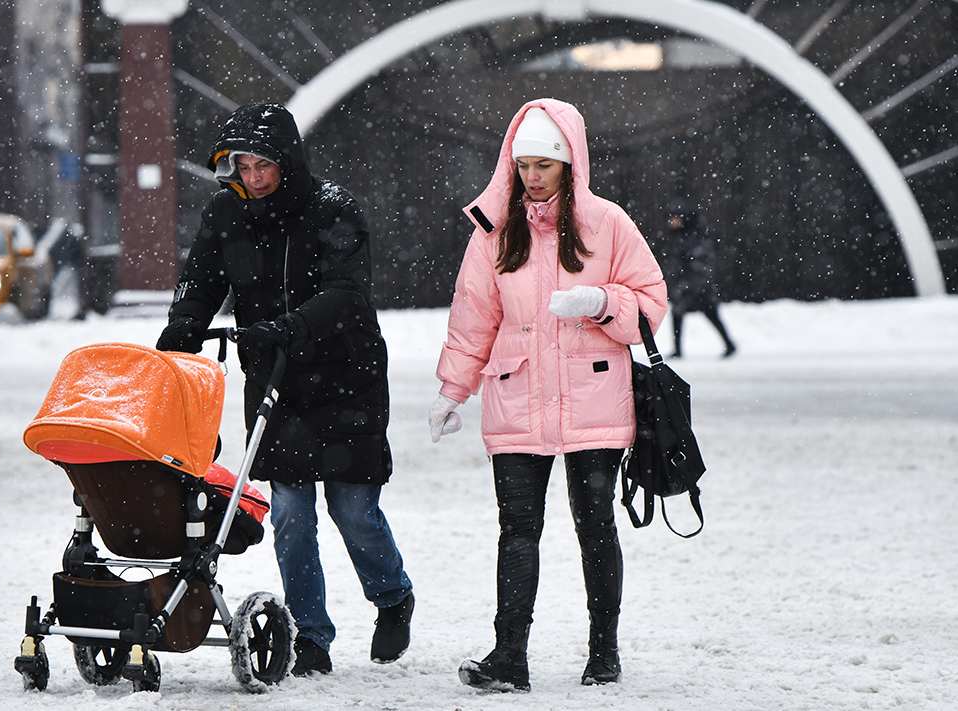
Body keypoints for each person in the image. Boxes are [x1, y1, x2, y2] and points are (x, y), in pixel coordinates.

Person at [155, 103, 414, 677]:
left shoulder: (333, 210)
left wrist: (292, 326)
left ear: (287, 160)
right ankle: (310, 636)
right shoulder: (227, 214)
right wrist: (183, 329)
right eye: (242, 167)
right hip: (276, 379)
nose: (254, 177)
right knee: (292, 513)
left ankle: (393, 596)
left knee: (353, 510)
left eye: (263, 165)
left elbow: (349, 294)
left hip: (346, 374)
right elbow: (201, 280)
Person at [430, 99, 668, 692]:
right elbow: (474, 318)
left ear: (570, 164)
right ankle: (509, 656)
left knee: (595, 526)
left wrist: (602, 303)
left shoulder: (608, 223)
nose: (532, 176)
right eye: (523, 164)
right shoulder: (493, 231)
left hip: (594, 395)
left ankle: (603, 651)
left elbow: (652, 305)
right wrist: (451, 390)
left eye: (544, 164)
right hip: (517, 397)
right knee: (517, 529)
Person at [666, 201, 735, 358]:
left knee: (705, 313)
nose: (671, 222)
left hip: (697, 284)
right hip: (693, 284)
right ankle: (728, 344)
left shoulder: (695, 235)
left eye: (674, 218)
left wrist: (689, 281)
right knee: (685, 313)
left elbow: (700, 259)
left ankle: (729, 344)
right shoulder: (685, 234)